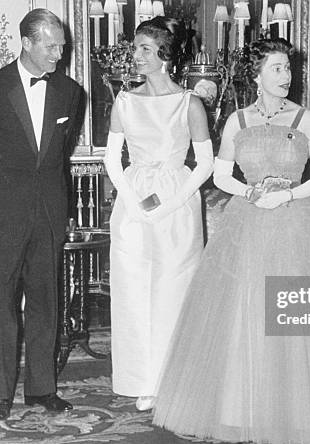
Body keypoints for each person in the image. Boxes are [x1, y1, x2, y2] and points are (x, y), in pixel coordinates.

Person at [152, 38, 310, 444]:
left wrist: (288, 195)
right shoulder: (237, 122)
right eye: (277, 69)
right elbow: (221, 175)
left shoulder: (305, 119)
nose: (286, 77)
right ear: (256, 76)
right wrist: (248, 193)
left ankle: (300, 411)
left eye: (289, 69)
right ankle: (242, 408)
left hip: (297, 225)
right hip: (246, 225)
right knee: (243, 312)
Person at [0, 8, 84, 421]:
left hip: (49, 210)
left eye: (61, 47)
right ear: (26, 43)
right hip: (2, 211)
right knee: (1, 303)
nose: (57, 55)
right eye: (50, 47)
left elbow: (58, 155)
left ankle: (42, 390)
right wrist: (11, 181)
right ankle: (0, 395)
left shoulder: (71, 92)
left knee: (47, 301)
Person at [103, 17, 213, 411]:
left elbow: (204, 163)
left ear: (165, 55)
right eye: (136, 48)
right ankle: (142, 379)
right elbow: (112, 160)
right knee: (134, 292)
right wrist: (132, 202)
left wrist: (170, 204)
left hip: (177, 205)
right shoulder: (125, 101)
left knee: (172, 291)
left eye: (145, 49)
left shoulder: (189, 103)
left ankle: (174, 377)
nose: (136, 56)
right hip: (133, 204)